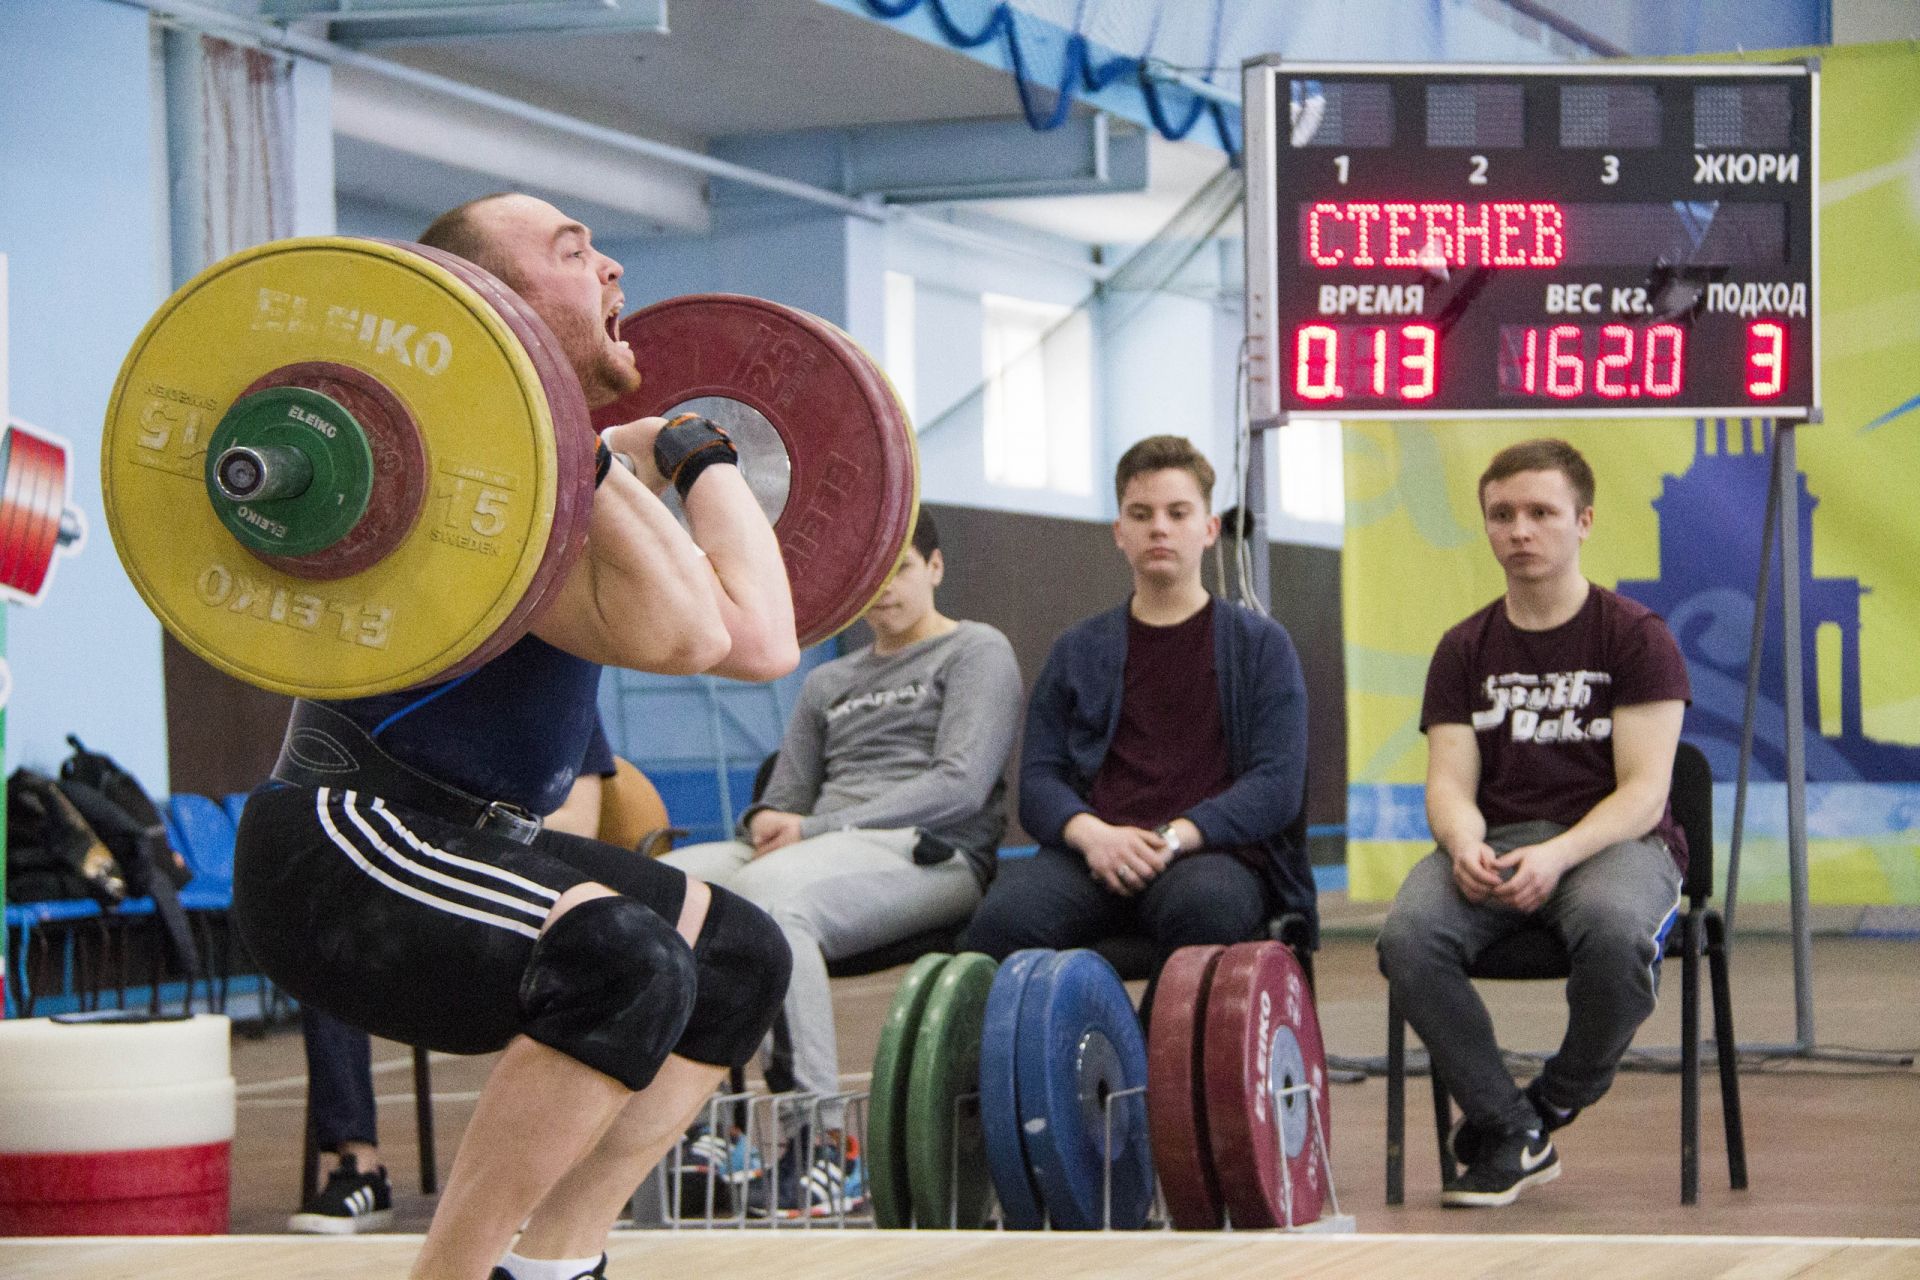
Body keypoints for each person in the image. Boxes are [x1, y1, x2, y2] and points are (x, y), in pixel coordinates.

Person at [233, 192, 801, 1280]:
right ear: (494, 303)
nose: (614, 267)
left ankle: (554, 1263)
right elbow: (710, 631)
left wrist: (681, 447)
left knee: (734, 956)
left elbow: (761, 633)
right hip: (345, 847)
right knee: (621, 957)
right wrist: (671, 453)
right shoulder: (470, 477)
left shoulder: (566, 467)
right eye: (574, 251)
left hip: (466, 838)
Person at [661, 511, 1021, 1216]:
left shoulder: (976, 650)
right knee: (666, 891)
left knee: (770, 900)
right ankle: (704, 1130)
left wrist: (815, 826)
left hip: (929, 852)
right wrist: (766, 820)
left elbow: (960, 787)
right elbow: (788, 794)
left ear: (936, 569)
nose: (885, 590)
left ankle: (824, 1145)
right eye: (872, 577)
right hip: (820, 845)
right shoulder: (830, 683)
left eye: (903, 570)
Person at [1375, 438, 1690, 1209]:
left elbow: (1645, 794)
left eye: (1540, 513)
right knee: (1407, 938)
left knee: (1617, 934)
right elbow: (1449, 783)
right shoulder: (1463, 648)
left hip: (1613, 842)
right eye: (1502, 515)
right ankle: (1507, 1126)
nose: (1520, 530)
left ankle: (1551, 1100)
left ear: (1582, 521)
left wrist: (1560, 854)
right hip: (1502, 844)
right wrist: (1463, 841)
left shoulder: (1634, 635)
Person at [960, 435, 1312, 970]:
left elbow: (1275, 787)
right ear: (1120, 532)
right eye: (1141, 514)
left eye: (1178, 512)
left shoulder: (1261, 646)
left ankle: (1149, 1054)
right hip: (1095, 855)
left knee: (1206, 914)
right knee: (1001, 923)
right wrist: (1093, 836)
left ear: (1209, 529)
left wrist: (1174, 837)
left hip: (1207, 855)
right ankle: (1045, 1054)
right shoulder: (1077, 649)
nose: (1160, 528)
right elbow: (1038, 783)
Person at [287, 722, 619, 1238]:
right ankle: (359, 1167)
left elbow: (581, 820)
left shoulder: (561, 690)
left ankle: (538, 1177)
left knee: (586, 961)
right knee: (324, 952)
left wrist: (472, 836)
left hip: (510, 902)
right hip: (416, 898)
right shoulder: (410, 697)